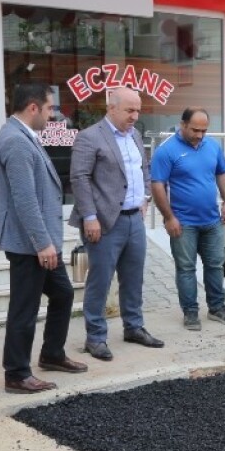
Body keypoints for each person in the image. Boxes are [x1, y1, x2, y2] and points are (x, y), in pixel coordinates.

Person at [0, 83, 87, 393]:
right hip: (30, 245)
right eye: (49, 108)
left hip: (41, 243)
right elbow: (24, 200)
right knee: (24, 307)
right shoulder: (16, 142)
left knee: (62, 294)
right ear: (33, 108)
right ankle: (17, 373)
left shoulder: (24, 137)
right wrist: (42, 243)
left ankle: (51, 354)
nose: (53, 115)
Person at [68, 87, 163, 361]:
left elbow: (144, 169)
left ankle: (134, 327)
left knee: (134, 278)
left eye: (138, 110)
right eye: (129, 110)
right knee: (100, 281)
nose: (135, 116)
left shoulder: (133, 134)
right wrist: (89, 217)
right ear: (111, 108)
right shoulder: (89, 137)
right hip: (104, 222)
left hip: (134, 219)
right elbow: (80, 178)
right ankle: (95, 338)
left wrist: (145, 197)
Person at [151, 107, 225, 331]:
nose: (200, 135)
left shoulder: (212, 146)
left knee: (215, 265)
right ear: (182, 125)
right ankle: (190, 312)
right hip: (183, 223)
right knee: (186, 268)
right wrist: (168, 217)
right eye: (195, 130)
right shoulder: (167, 151)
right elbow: (157, 185)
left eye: (204, 130)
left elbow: (223, 172)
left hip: (212, 220)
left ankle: (217, 308)